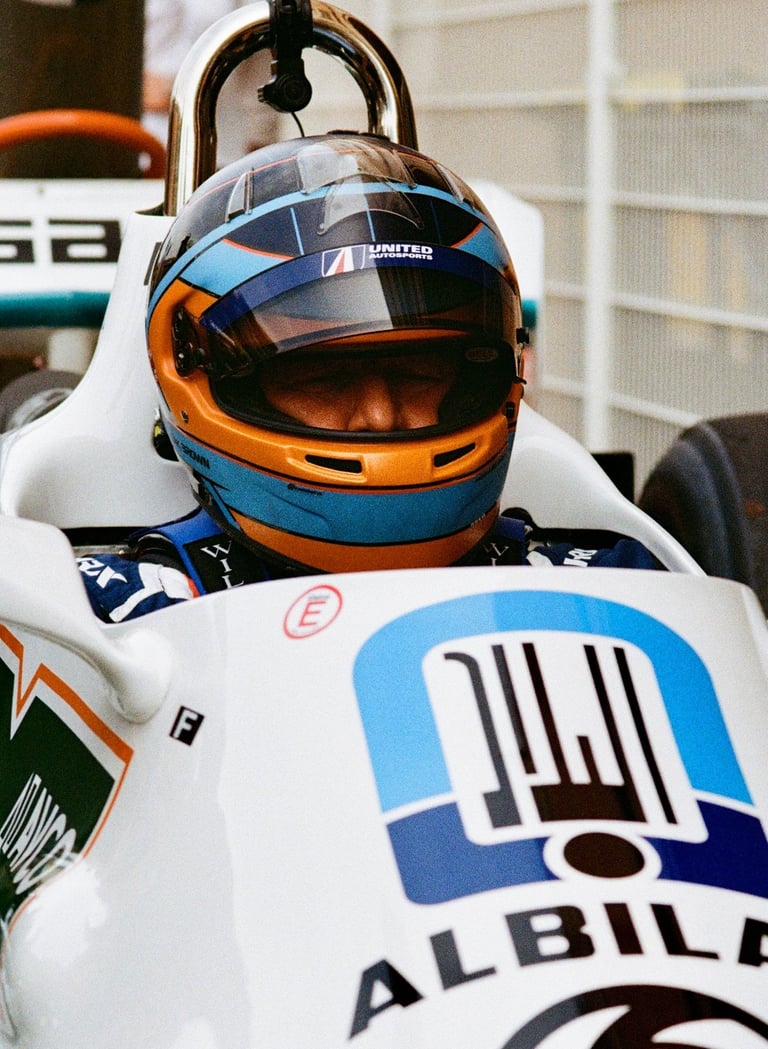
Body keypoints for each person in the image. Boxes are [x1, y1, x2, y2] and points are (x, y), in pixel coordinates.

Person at [76, 134, 657, 623]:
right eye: (319, 374)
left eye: (421, 368)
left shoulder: (606, 589)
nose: (380, 415)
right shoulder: (110, 615)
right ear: (192, 376)